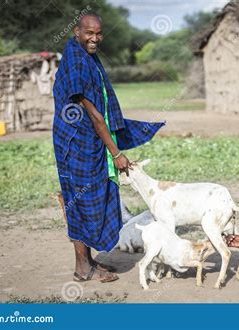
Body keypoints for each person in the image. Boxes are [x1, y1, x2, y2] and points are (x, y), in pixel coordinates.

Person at [52, 13, 164, 282]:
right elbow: (94, 115)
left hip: (87, 140)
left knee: (88, 200)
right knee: (81, 201)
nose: (95, 38)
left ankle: (88, 262)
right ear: (77, 31)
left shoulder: (83, 55)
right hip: (76, 145)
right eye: (89, 33)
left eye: (99, 33)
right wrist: (116, 153)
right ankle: (82, 266)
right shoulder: (77, 62)